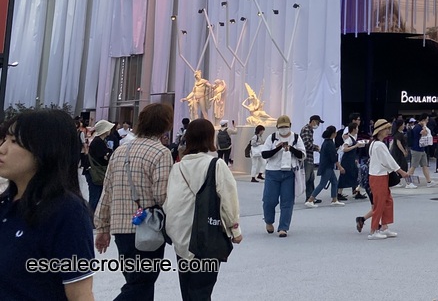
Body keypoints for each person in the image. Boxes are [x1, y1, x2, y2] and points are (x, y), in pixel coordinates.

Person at [0, 110, 97, 301]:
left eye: (14, 141)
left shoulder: (67, 212)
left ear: (46, 149)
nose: (2, 148)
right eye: (4, 139)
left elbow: (80, 296)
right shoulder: (5, 205)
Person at [94, 102, 174, 300]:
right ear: (166, 125)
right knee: (140, 284)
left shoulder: (121, 151)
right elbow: (162, 195)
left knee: (137, 282)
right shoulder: (161, 152)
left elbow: (107, 192)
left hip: (121, 229)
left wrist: (102, 227)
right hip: (147, 229)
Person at [165, 119, 243, 300]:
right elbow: (228, 200)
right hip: (206, 238)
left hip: (182, 239)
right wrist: (235, 229)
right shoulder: (216, 165)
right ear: (210, 138)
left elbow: (170, 202)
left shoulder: (177, 167)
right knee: (202, 291)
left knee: (188, 291)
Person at [256, 114, 305, 237]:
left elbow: (302, 155)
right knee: (269, 200)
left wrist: (291, 148)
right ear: (277, 127)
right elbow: (265, 155)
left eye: (286, 127)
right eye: (281, 127)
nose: (284, 129)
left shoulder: (296, 138)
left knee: (287, 201)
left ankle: (283, 227)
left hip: (289, 172)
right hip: (273, 172)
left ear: (290, 126)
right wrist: (278, 148)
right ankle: (268, 220)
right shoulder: (272, 137)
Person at [366, 119, 410, 240]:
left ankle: (383, 228)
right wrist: (400, 171)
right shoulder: (379, 145)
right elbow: (388, 161)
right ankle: (373, 230)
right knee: (380, 204)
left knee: (386, 201)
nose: (388, 131)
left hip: (378, 175)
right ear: (379, 131)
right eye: (386, 129)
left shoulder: (374, 143)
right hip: (378, 176)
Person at [85, 119, 115, 215]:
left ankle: (92, 217)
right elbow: (105, 157)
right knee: (95, 196)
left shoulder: (100, 141)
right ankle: (91, 218)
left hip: (94, 172)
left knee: (96, 196)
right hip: (95, 173)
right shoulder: (98, 142)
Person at [312, 126, 343, 205]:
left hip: (326, 166)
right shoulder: (330, 143)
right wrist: (339, 167)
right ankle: (310, 199)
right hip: (327, 167)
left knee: (334, 181)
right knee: (322, 184)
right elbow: (333, 157)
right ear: (333, 133)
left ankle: (334, 199)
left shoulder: (326, 142)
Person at [338, 122, 368, 203]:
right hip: (347, 160)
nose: (358, 129)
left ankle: (356, 191)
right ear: (354, 129)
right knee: (344, 175)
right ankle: (339, 193)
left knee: (355, 174)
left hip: (351, 159)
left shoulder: (352, 138)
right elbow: (345, 149)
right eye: (357, 128)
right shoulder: (349, 139)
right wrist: (355, 146)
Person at [301, 115, 323, 207]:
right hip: (306, 158)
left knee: (311, 179)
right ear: (313, 121)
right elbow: (306, 144)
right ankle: (309, 197)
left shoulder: (309, 130)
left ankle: (311, 197)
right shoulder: (306, 130)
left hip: (309, 157)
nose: (318, 125)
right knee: (306, 179)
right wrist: (316, 148)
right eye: (317, 122)